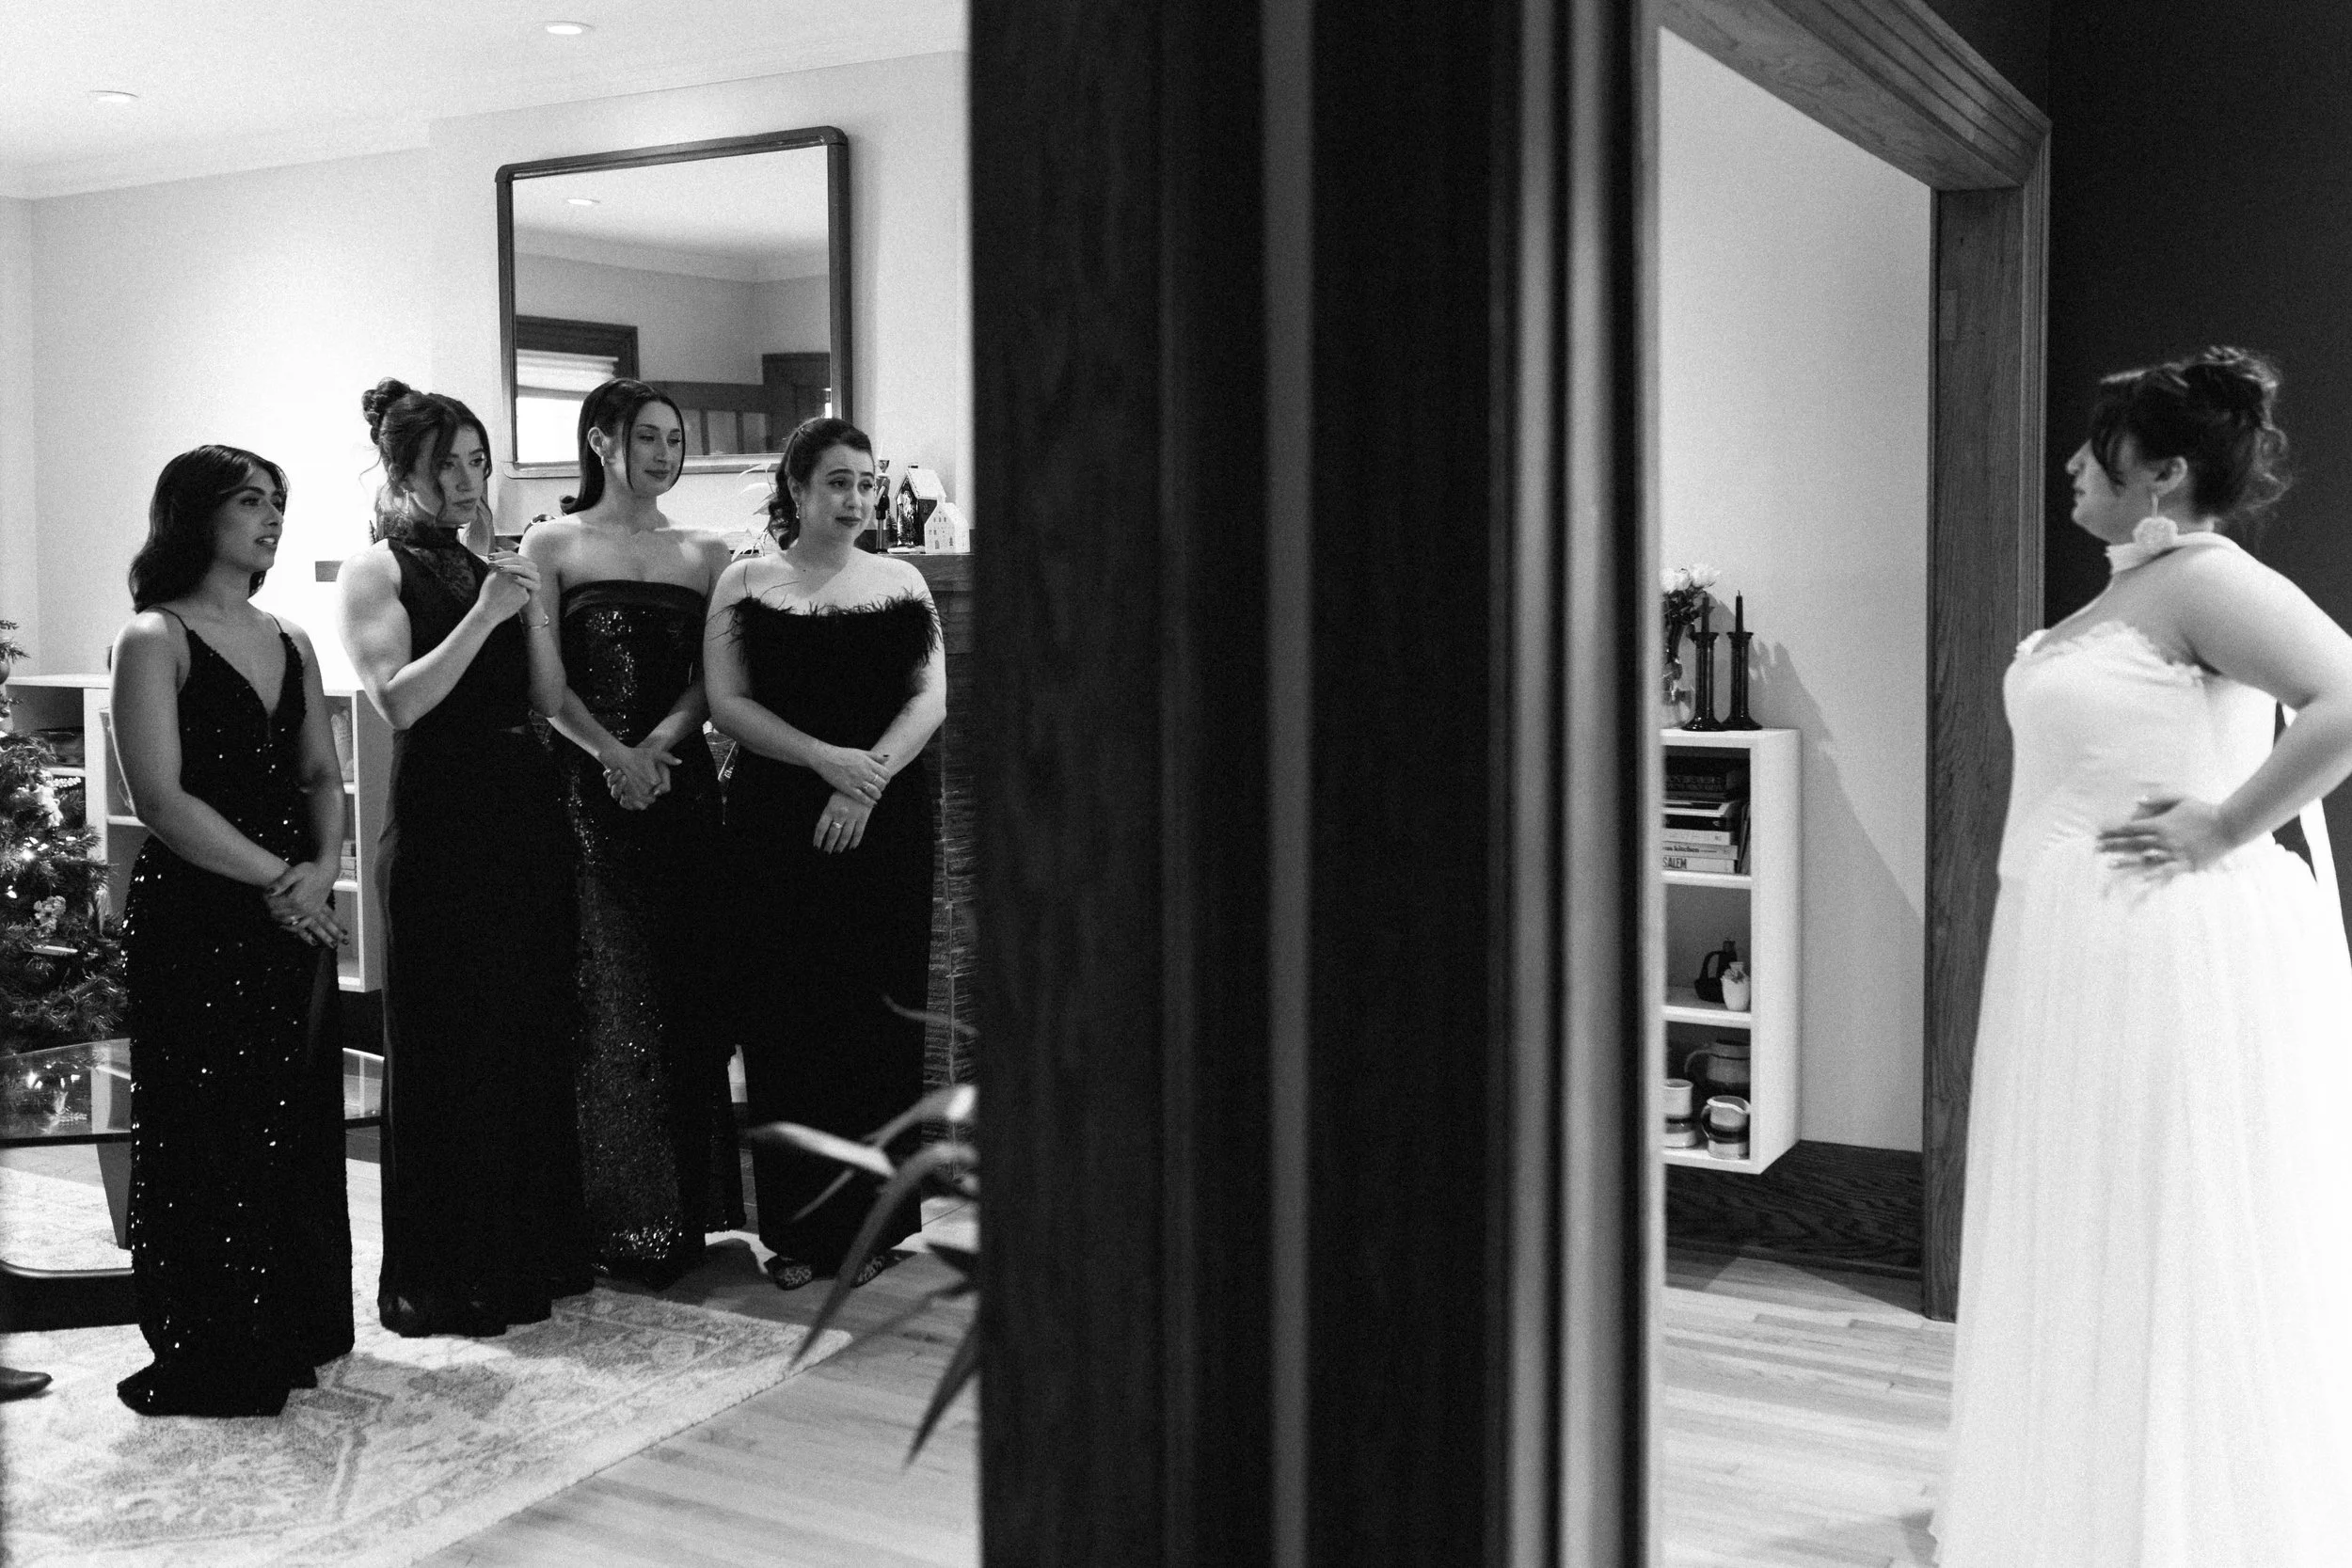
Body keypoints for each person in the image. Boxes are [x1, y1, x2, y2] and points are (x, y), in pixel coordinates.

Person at [1936, 347, 2352, 1565]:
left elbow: (2345, 692)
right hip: (2076, 945)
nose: (2072, 464)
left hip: (2159, 951)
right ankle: (2092, 1511)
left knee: (2162, 1231)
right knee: (2092, 1230)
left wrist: (2226, 822)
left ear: (2164, 470)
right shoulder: (2135, 588)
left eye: (2095, 449)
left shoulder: (2203, 576)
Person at [338, 378, 590, 1337]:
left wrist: (525, 608)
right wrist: (483, 611)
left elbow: (545, 696)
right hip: (443, 823)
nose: (465, 480)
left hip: (524, 813)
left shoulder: (496, 562)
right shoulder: (377, 570)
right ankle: (452, 1272)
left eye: (476, 461)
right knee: (455, 1046)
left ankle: (534, 1252)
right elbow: (397, 700)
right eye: (445, 463)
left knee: (529, 1033)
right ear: (401, 469)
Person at [108, 445, 353, 1416]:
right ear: (192, 516)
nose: (270, 518)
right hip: (198, 913)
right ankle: (208, 1340)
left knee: (285, 1116)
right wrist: (279, 880)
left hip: (286, 911)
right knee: (203, 1125)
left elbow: (322, 775)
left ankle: (289, 1322)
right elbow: (159, 799)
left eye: (278, 503)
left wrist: (320, 869)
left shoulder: (292, 636)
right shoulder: (152, 637)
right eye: (250, 501)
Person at [705, 417, 944, 1290]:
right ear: (798, 490)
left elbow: (929, 701)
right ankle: (798, 1233)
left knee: (877, 1020)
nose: (856, 499)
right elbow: (728, 705)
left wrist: (864, 779)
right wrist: (821, 759)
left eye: (868, 483)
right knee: (787, 1021)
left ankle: (875, 1225)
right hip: (774, 822)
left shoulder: (904, 579)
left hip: (884, 819)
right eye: (838, 482)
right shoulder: (745, 582)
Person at [519, 378, 742, 1288]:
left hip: (679, 786)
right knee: (607, 994)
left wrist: (652, 748)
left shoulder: (708, 549)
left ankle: (687, 1216)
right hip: (584, 789)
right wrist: (613, 755)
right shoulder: (552, 541)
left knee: (685, 988)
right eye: (647, 436)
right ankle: (614, 1216)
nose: (664, 453)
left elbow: (714, 679)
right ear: (601, 441)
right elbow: (545, 683)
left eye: (673, 439)